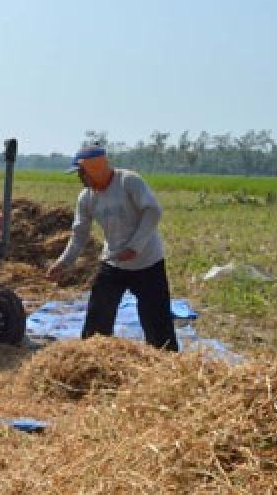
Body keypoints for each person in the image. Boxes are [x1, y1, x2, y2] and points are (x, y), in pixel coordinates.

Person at [45, 144, 178, 350]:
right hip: (114, 262)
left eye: (82, 172)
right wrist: (63, 263)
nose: (80, 178)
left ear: (94, 168)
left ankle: (167, 362)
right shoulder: (87, 197)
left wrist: (135, 247)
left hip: (147, 262)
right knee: (98, 315)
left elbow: (152, 211)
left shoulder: (128, 181)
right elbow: (79, 234)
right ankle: (91, 355)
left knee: (156, 321)